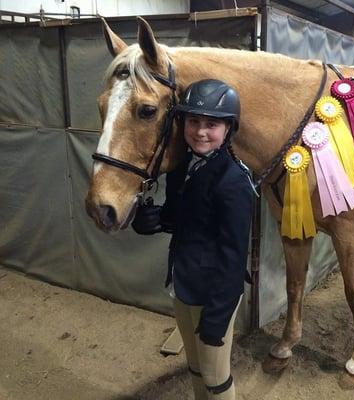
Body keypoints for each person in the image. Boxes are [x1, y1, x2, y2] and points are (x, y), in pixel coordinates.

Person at [131, 79, 254, 400]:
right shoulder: (181, 167)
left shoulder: (234, 183)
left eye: (211, 124)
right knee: (196, 367)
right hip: (182, 279)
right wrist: (153, 220)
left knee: (216, 377)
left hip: (214, 293)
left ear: (228, 129)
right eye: (193, 121)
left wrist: (216, 319)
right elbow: (179, 218)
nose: (200, 131)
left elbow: (233, 259)